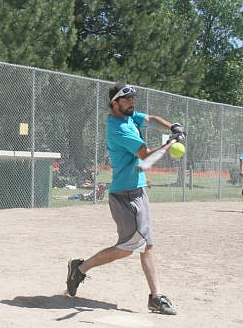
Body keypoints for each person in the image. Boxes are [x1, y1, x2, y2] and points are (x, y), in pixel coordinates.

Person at [66, 84, 183, 315]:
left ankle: (156, 296)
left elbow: (150, 118)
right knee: (127, 248)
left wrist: (173, 126)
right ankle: (80, 268)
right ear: (114, 104)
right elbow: (145, 155)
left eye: (132, 99)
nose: (131, 103)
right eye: (126, 100)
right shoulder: (119, 129)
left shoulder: (130, 117)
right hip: (125, 196)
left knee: (146, 245)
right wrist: (170, 143)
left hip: (138, 190)